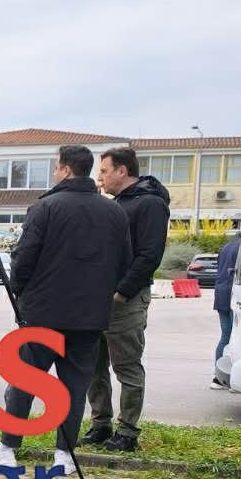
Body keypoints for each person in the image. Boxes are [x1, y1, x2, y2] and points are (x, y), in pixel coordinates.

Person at [0, 144, 130, 474]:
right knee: (74, 388)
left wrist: (19, 292)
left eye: (55, 167)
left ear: (65, 169)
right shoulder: (115, 212)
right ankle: (64, 455)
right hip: (89, 317)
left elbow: (24, 258)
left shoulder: (46, 207)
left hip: (43, 313)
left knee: (25, 380)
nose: (54, 173)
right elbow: (124, 263)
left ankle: (8, 448)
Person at [83, 146, 169, 452]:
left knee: (126, 365)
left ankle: (128, 431)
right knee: (94, 364)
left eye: (104, 171)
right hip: (98, 298)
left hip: (125, 300)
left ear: (122, 170)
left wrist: (122, 292)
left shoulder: (150, 204)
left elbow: (150, 255)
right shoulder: (116, 203)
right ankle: (100, 424)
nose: (100, 177)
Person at [209, 231, 241, 388]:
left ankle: (218, 376)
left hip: (221, 294)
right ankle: (230, 377)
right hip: (233, 295)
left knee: (225, 335)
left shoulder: (226, 247)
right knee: (235, 337)